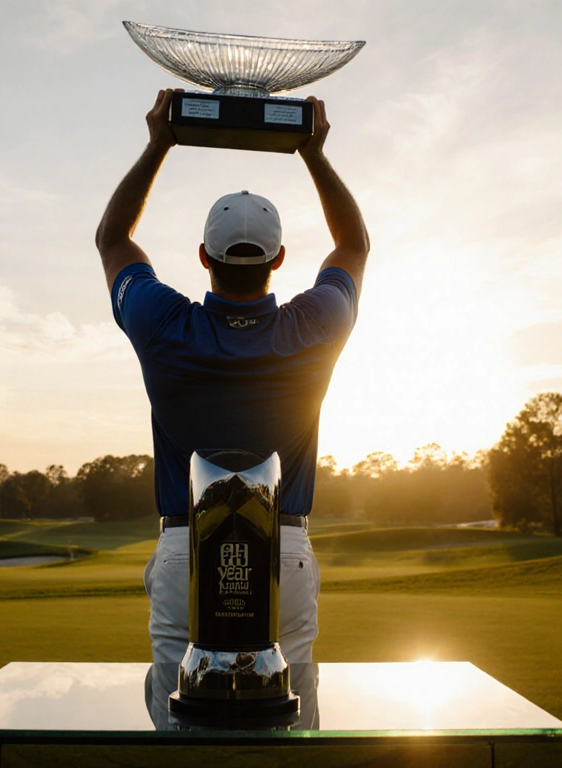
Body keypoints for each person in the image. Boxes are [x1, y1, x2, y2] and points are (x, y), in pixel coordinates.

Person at [95, 89, 369, 666]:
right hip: (284, 548)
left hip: (183, 546)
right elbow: (352, 246)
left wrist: (158, 144)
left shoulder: (164, 322)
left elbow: (113, 240)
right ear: (279, 258)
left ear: (203, 256)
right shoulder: (313, 325)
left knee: (177, 720)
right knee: (294, 716)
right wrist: (314, 153)